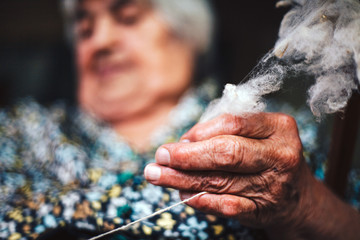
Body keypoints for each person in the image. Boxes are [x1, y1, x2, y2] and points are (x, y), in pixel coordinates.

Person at [0, 0, 359, 240]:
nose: (101, 40)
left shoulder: (283, 141)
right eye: (84, 27)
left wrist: (304, 205)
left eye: (127, 17)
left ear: (189, 33)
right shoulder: (15, 132)